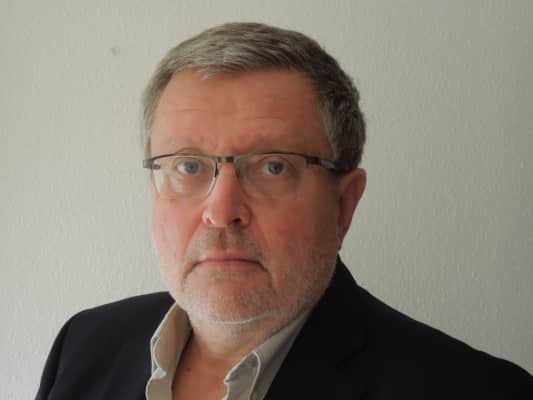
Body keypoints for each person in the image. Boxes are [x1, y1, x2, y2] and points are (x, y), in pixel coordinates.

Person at [36, 22, 532, 400]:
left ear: (343, 204)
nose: (221, 211)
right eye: (188, 166)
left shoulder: (477, 390)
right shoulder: (84, 345)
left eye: (273, 167)